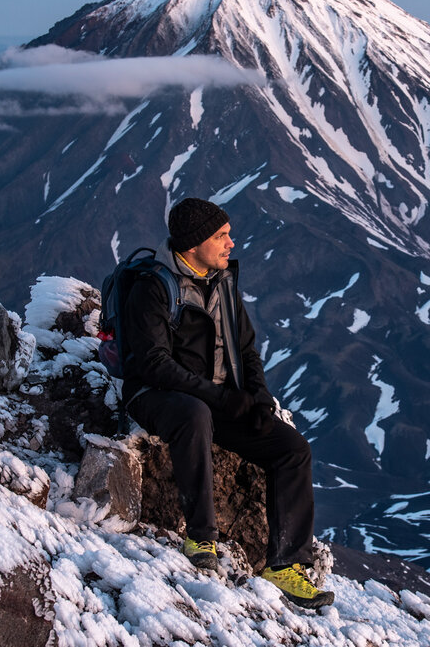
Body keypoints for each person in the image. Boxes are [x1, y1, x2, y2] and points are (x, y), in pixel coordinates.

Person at [120, 197, 335, 609]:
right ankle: (200, 538)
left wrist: (257, 396)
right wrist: (221, 397)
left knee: (292, 449)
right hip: (156, 396)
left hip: (219, 400)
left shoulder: (223, 284)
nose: (231, 243)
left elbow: (247, 349)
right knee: (195, 414)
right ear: (193, 242)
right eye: (221, 235)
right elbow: (153, 365)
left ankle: (286, 564)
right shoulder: (154, 287)